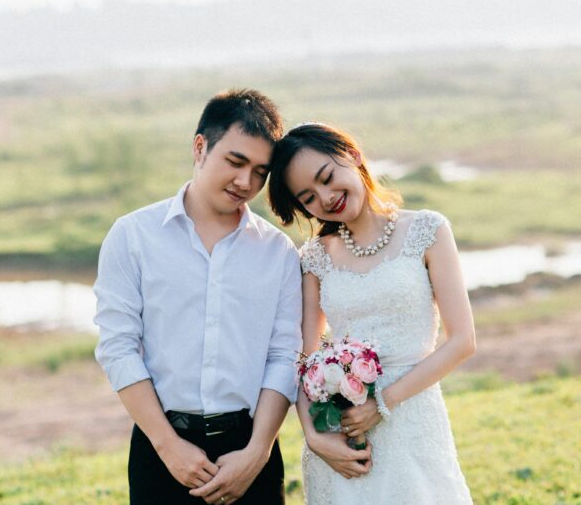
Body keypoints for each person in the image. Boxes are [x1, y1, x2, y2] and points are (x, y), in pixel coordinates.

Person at [94, 89, 306, 505]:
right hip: (161, 449)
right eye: (235, 162)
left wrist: (257, 452)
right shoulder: (132, 236)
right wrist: (167, 445)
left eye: (260, 172)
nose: (246, 182)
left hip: (251, 451)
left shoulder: (278, 252)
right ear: (200, 147)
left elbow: (285, 355)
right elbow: (118, 347)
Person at [267, 122, 476, 504]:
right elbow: (302, 357)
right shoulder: (314, 258)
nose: (326, 198)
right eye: (309, 198)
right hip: (343, 436)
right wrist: (316, 436)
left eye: (328, 178)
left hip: (412, 421)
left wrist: (382, 404)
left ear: (353, 155)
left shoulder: (427, 231)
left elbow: (463, 341)